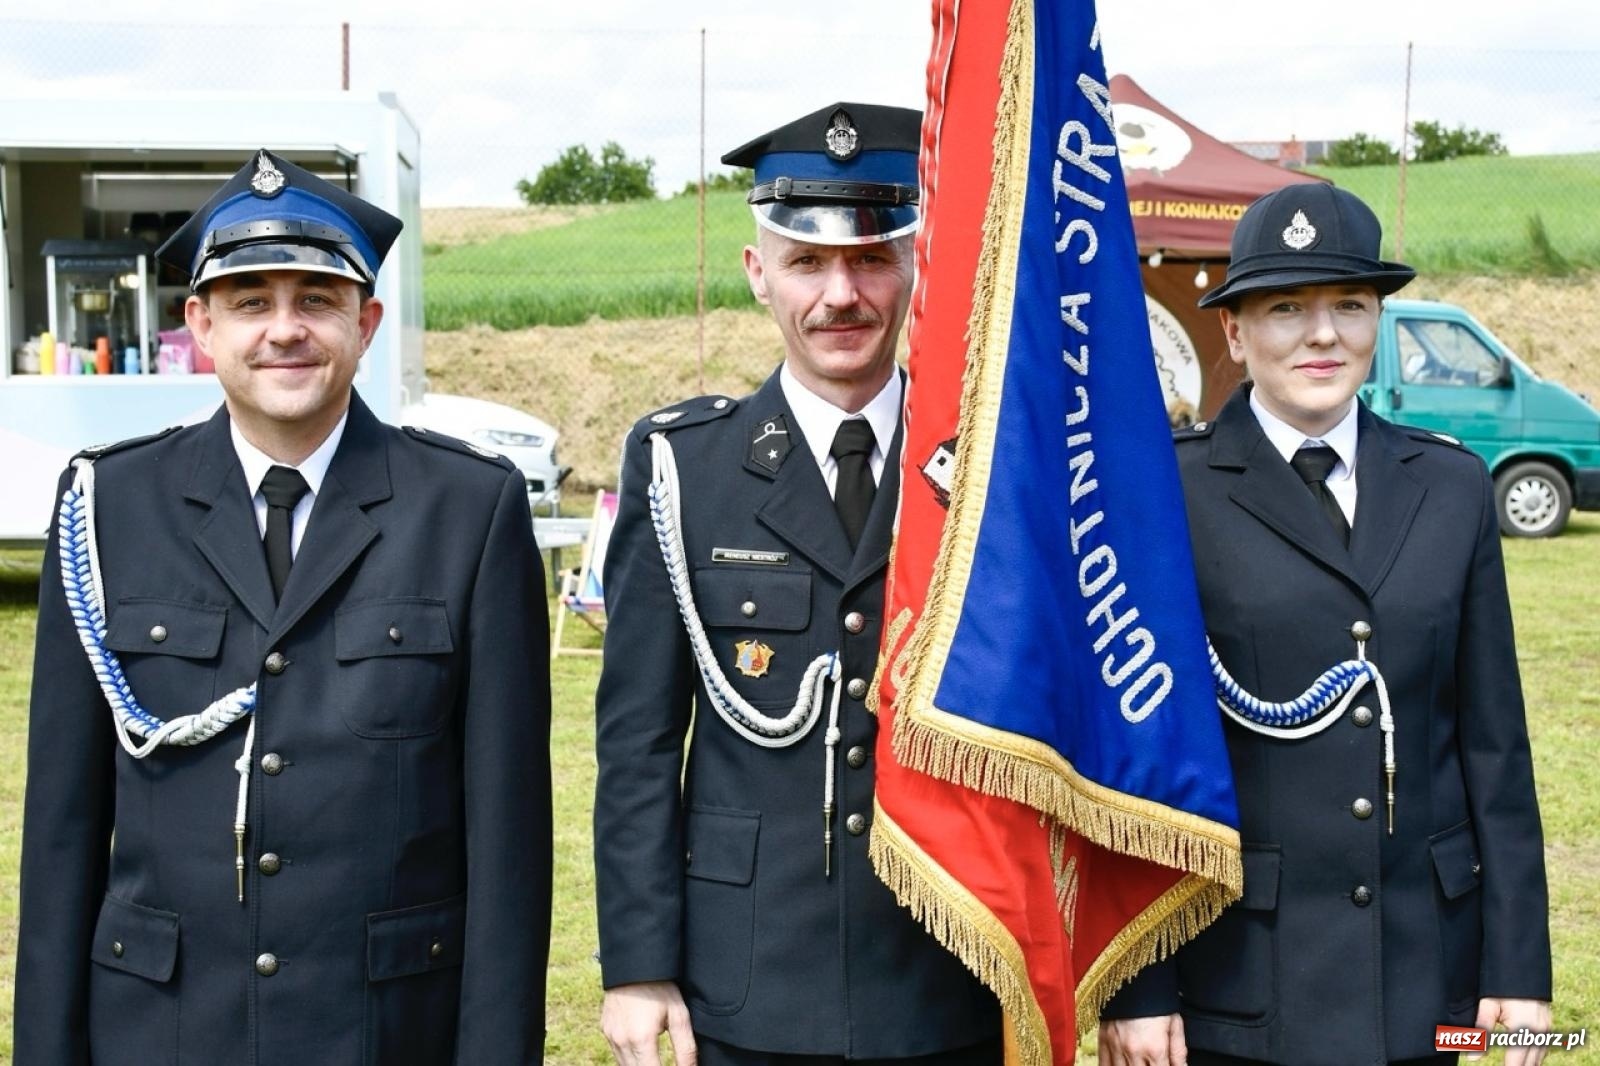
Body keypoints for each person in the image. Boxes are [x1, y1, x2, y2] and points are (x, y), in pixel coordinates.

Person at [14, 149, 553, 1064]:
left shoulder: (467, 512)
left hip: (382, 1032)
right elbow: (61, 833)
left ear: (366, 321)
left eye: (315, 300)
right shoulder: (107, 506)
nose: (285, 331)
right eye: (251, 303)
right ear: (201, 324)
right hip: (162, 1030)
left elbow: (507, 844)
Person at [1097, 183, 1552, 1066]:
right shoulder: (1167, 495)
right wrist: (1138, 984)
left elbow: (1496, 747)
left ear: (1377, 322)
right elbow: (1137, 756)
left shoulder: (1451, 489)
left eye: (1349, 305)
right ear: (1234, 332)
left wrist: (1520, 967)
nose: (1322, 334)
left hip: (1423, 969)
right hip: (1240, 975)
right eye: (1286, 309)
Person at [593, 103, 1002, 1066]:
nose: (841, 295)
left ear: (913, 268)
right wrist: (638, 967)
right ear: (757, 274)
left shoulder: (988, 467)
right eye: (807, 262)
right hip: (748, 981)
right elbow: (640, 747)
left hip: (951, 974)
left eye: (869, 259)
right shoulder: (682, 469)